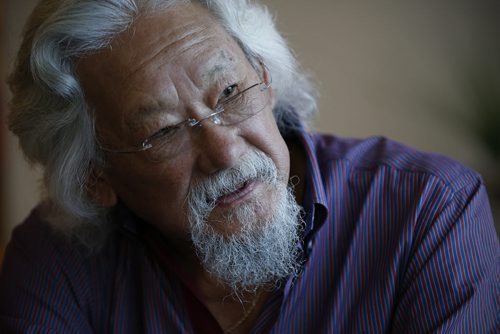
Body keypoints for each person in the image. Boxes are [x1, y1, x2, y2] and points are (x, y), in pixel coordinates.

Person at [1, 0, 498, 332]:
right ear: (96, 176)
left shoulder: (428, 208)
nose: (225, 153)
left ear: (266, 76)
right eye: (164, 131)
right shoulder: (56, 262)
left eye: (232, 93)